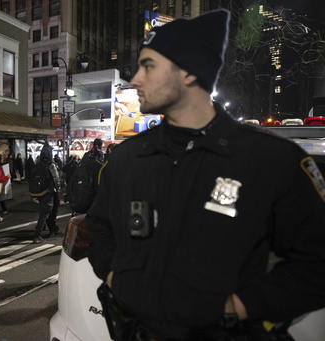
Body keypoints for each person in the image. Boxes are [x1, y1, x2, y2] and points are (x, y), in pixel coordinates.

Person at [87, 9, 325, 341]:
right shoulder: (127, 157)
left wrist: (240, 305)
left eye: (148, 66)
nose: (135, 79)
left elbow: (316, 262)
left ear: (188, 71)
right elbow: (98, 228)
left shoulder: (269, 161)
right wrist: (116, 277)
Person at [32, 144, 61, 244]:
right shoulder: (50, 165)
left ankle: (51, 229)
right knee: (45, 214)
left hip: (39, 192)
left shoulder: (38, 165)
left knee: (45, 212)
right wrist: (58, 188)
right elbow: (56, 179)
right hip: (48, 192)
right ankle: (37, 235)